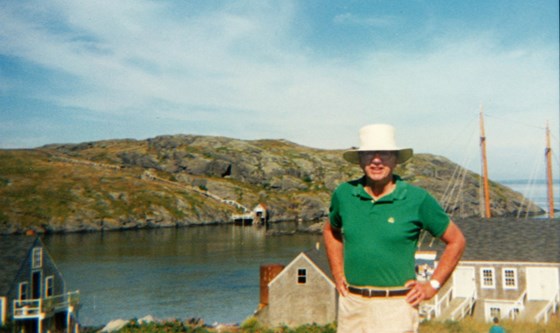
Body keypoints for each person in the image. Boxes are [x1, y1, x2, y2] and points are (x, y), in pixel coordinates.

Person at [323, 124, 466, 333]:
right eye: (369, 153)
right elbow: (330, 230)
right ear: (360, 159)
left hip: (396, 307)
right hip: (352, 304)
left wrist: (432, 286)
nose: (377, 160)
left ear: (396, 159)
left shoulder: (418, 199)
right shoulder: (344, 194)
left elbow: (456, 241)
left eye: (385, 153)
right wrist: (337, 272)